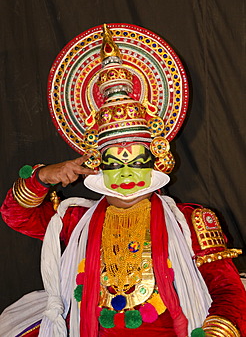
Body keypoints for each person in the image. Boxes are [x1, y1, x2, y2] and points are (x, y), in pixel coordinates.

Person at [1, 24, 246, 337]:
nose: (127, 173)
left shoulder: (192, 221)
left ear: (155, 158)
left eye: (136, 160)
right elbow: (16, 215)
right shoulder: (76, 222)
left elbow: (228, 292)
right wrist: (41, 177)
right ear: (98, 165)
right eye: (115, 162)